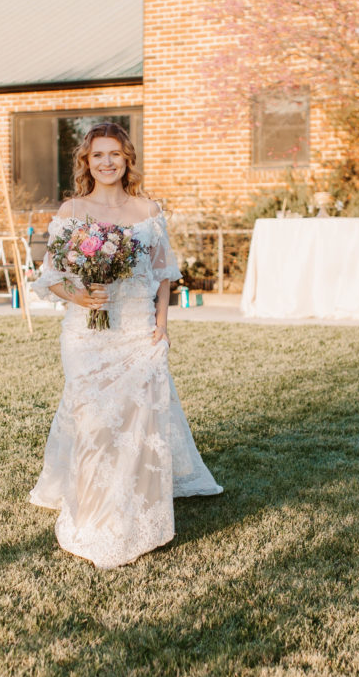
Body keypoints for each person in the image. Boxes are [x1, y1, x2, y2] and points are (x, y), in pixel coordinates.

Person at [29, 122, 222, 569]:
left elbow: (163, 274)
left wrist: (162, 324)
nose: (107, 162)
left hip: (137, 329)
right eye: (98, 155)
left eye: (115, 154)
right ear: (87, 161)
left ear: (127, 159)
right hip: (87, 333)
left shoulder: (148, 209)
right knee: (95, 423)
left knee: (138, 422)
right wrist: (79, 295)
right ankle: (93, 512)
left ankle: (136, 514)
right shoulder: (73, 209)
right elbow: (50, 277)